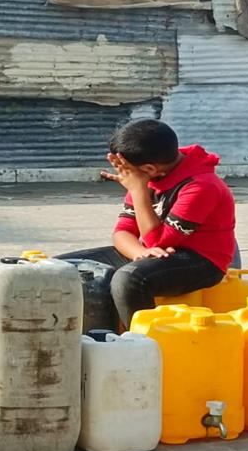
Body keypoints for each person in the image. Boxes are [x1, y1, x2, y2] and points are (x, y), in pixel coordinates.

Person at [56, 120, 236, 327]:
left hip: (201, 261)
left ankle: (141, 342)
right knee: (59, 269)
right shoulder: (145, 176)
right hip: (153, 252)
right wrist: (139, 253)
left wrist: (138, 190)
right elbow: (122, 232)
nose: (123, 174)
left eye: (126, 169)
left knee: (130, 280)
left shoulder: (201, 186)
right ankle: (95, 336)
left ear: (149, 168)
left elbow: (158, 240)